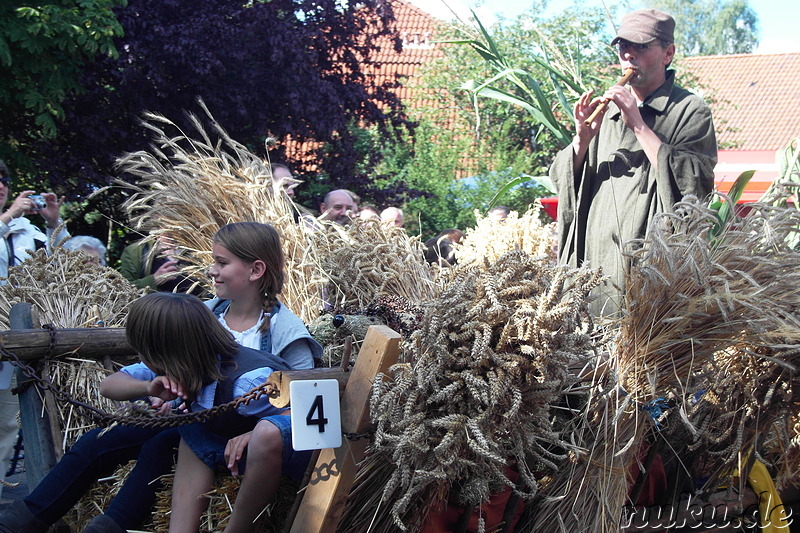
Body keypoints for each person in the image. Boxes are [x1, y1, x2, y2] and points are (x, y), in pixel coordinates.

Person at [0, 222, 321, 533]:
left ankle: (111, 524)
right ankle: (24, 519)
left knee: (164, 441)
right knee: (99, 441)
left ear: (255, 271)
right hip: (190, 420)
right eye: (213, 261)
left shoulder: (285, 331)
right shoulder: (201, 316)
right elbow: (126, 380)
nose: (211, 270)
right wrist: (154, 389)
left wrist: (256, 434)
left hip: (233, 431)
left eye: (222, 263)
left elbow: (307, 405)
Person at [549, 8, 717, 316]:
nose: (629, 55)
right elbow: (561, 181)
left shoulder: (691, 110)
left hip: (648, 276)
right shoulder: (605, 113)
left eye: (641, 47)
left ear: (668, 53)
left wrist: (638, 124)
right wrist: (581, 140)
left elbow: (694, 184)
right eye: (623, 47)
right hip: (593, 270)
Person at [0, 159, 69, 502]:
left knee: (7, 424)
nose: (0, 185)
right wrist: (8, 216)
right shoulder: (9, 222)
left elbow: (69, 261)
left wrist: (54, 222)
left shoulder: (28, 231)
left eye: (4, 178)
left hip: (18, 337)